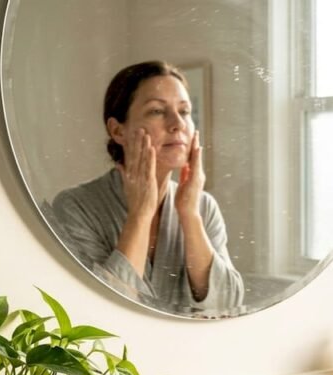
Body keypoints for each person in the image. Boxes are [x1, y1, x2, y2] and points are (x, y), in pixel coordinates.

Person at [53, 61, 244, 312]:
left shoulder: (203, 207)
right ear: (118, 130)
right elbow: (99, 313)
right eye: (157, 111)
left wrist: (189, 215)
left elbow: (227, 307)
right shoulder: (74, 207)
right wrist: (140, 215)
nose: (177, 124)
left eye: (185, 111)